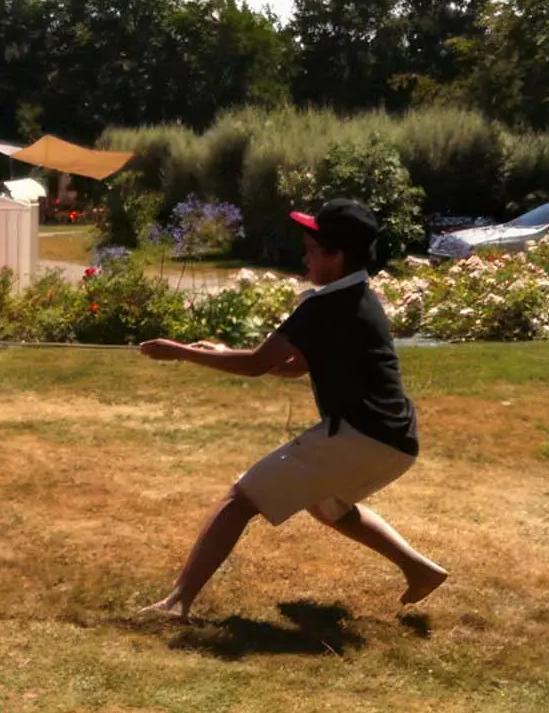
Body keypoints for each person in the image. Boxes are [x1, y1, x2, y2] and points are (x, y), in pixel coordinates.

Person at [136, 199, 447, 618]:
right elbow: (294, 365)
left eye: (312, 249)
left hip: (359, 435)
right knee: (327, 505)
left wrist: (180, 352)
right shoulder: (360, 298)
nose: (305, 257)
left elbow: (255, 364)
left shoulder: (322, 307)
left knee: (240, 499)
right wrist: (227, 352)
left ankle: (175, 604)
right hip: (396, 440)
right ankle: (419, 570)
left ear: (336, 256)